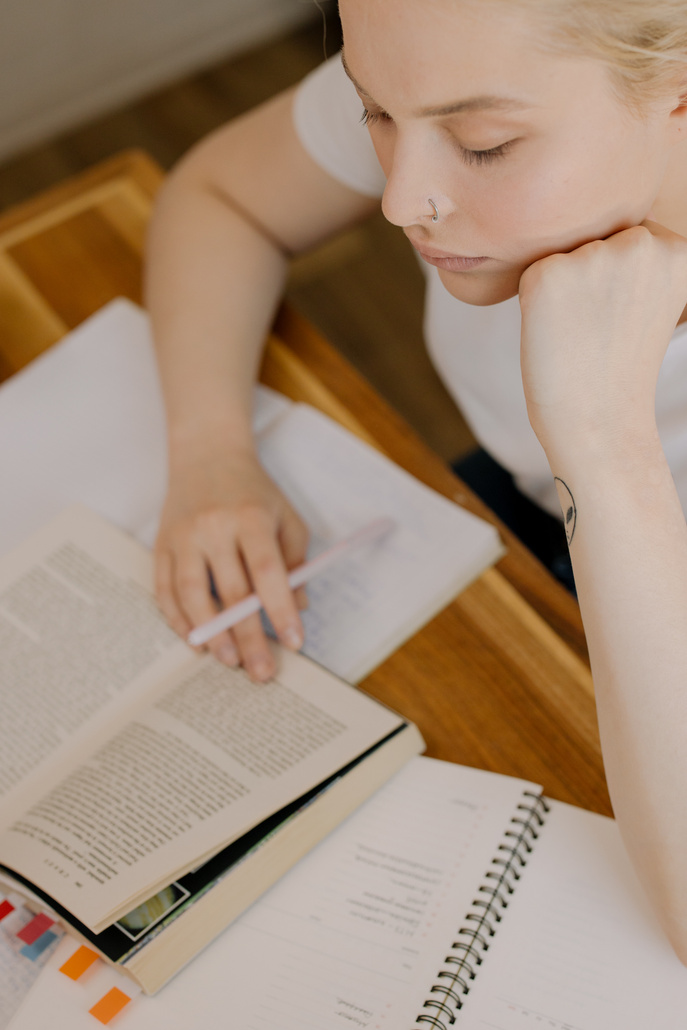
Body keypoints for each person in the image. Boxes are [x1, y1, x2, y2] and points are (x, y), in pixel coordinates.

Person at [146, 0, 687, 960]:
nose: (401, 197)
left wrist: (604, 448)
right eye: (374, 115)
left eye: (484, 146)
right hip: (522, 516)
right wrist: (211, 450)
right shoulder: (445, 61)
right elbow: (220, 196)